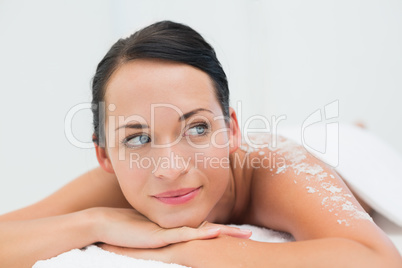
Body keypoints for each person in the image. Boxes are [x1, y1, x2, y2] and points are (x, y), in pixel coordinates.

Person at [0, 20, 401, 268]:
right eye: (138, 138)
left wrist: (180, 250)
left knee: (344, 139)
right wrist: (97, 222)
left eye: (196, 129)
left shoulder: (280, 170)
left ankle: (354, 130)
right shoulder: (116, 187)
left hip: (314, 148)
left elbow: (376, 260)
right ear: (105, 155)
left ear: (230, 131)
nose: (170, 167)